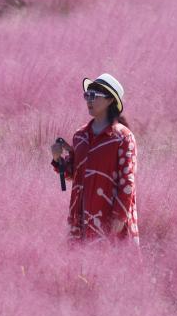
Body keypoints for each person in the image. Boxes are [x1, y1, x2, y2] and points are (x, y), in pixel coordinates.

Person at [51, 73, 139, 245]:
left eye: (94, 96)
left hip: (110, 217)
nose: (88, 100)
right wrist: (57, 159)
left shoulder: (123, 137)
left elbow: (127, 180)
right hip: (80, 218)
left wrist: (120, 215)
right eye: (87, 95)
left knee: (112, 260)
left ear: (110, 100)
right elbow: (73, 173)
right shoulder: (80, 135)